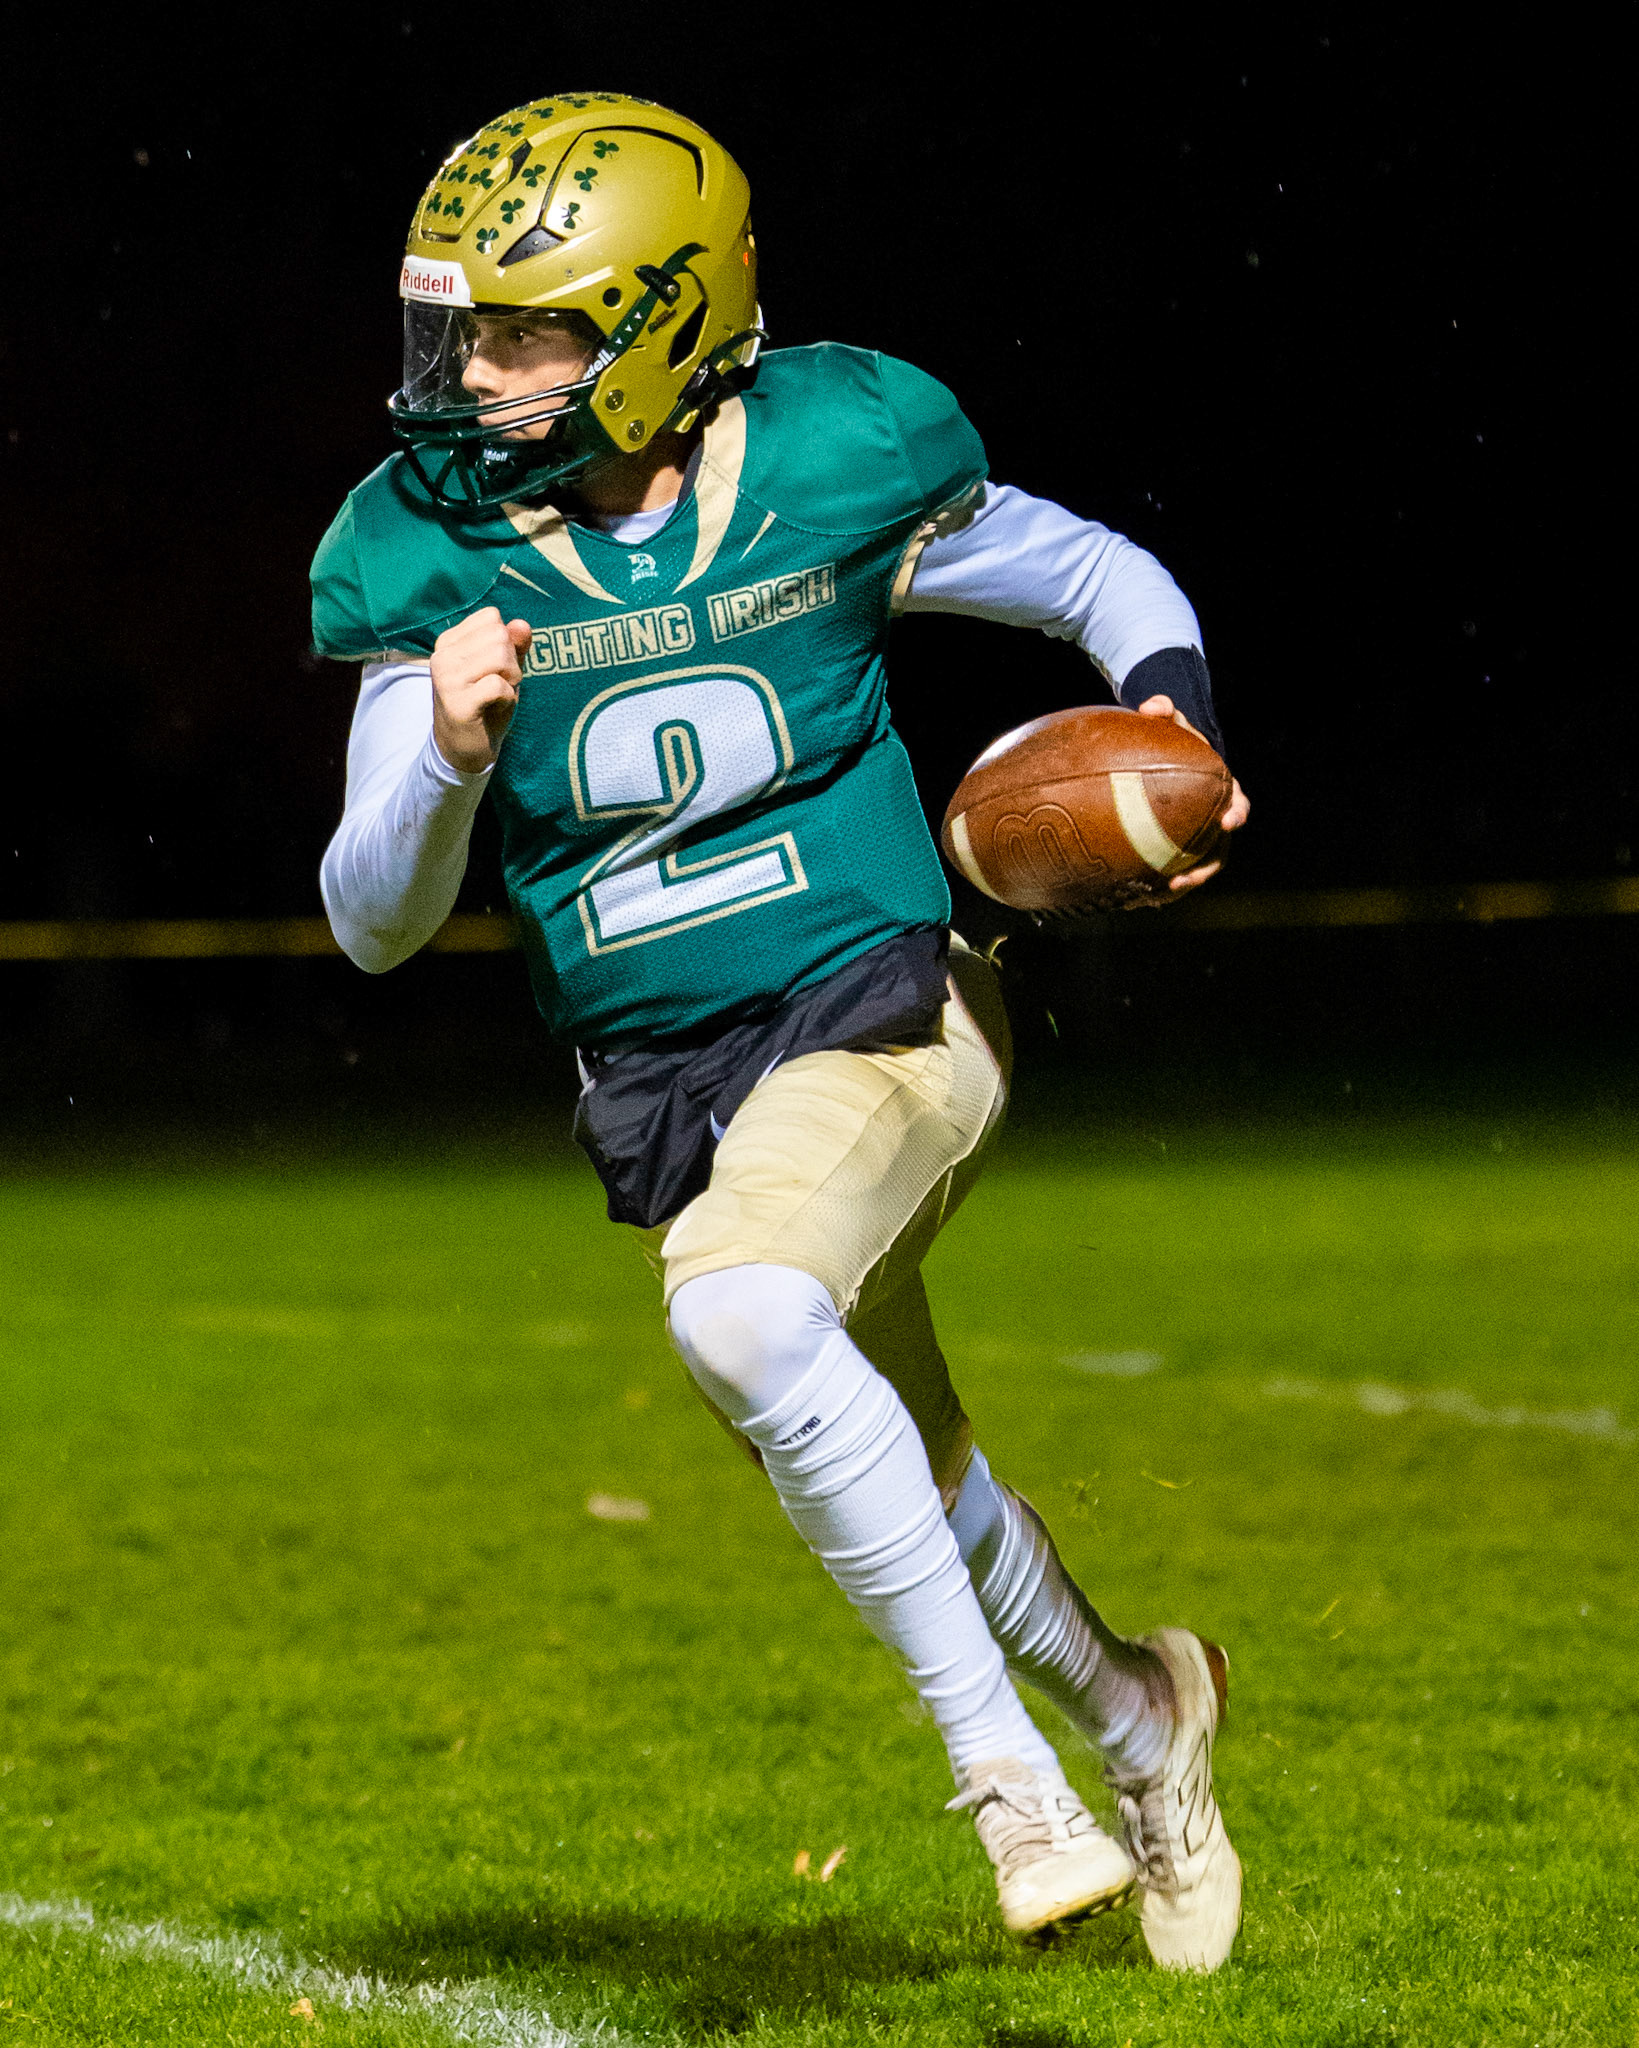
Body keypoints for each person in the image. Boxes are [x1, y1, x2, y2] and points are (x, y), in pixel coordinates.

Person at [312, 91, 1249, 1972]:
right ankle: (1144, 1711)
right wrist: (447, 753)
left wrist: (1175, 724)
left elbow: (1095, 577)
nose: (472, 376)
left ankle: (1012, 1786)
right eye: (463, 332)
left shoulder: (828, 460)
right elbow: (373, 919)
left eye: (526, 334)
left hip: (885, 1010)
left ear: (660, 328)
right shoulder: (430, 552)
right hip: (668, 1086)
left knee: (742, 1312)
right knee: (903, 1457)